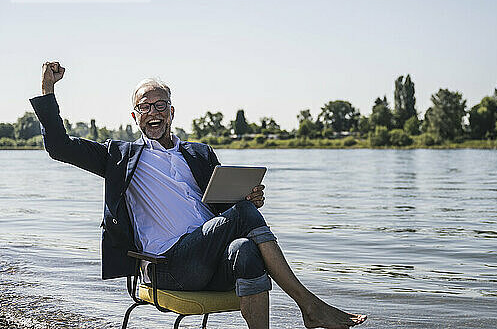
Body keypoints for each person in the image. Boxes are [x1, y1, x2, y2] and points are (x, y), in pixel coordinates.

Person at [30, 61, 367, 329]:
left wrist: (248, 200)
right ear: (135, 117)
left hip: (213, 260)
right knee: (242, 216)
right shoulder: (119, 157)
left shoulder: (200, 154)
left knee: (246, 248)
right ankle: (309, 306)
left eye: (160, 105)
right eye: (144, 107)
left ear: (172, 112)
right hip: (168, 267)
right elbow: (59, 146)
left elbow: (225, 210)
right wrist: (47, 88)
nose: (153, 112)